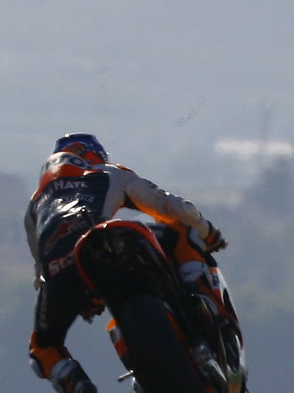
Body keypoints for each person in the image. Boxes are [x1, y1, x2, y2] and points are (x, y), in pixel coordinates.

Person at [24, 132, 227, 393]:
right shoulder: (109, 171)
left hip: (62, 271)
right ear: (93, 155)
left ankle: (74, 383)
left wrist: (73, 295)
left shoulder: (35, 203)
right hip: (110, 240)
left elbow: (40, 269)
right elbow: (171, 207)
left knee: (43, 348)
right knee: (181, 230)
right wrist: (207, 231)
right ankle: (204, 301)